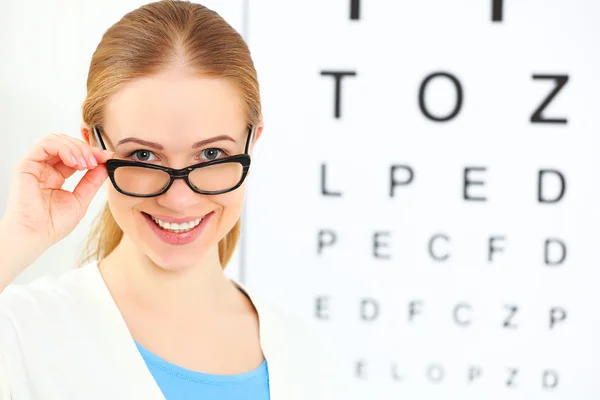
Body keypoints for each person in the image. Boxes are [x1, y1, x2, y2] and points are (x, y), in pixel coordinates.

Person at [0, 1, 335, 399]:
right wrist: (20, 234)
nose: (178, 199)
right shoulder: (22, 330)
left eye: (211, 155)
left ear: (252, 141)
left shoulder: (301, 351)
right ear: (93, 146)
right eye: (143, 156)